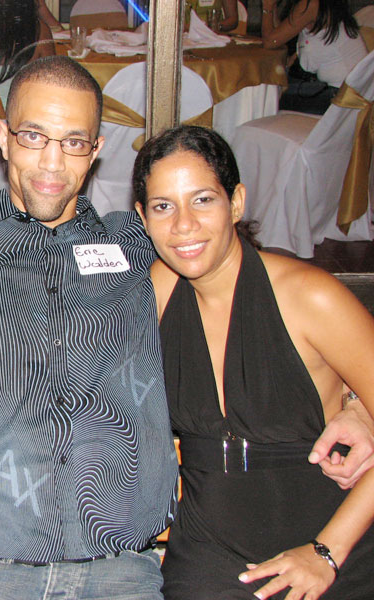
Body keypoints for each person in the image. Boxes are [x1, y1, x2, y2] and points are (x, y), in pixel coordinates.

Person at [0, 55, 178, 600]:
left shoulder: (136, 243)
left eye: (73, 142)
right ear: (3, 137)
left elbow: (239, 275)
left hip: (118, 566)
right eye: (33, 136)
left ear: (96, 150)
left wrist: (352, 398)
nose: (52, 162)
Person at [131, 125, 374, 600]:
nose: (183, 225)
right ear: (142, 217)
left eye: (203, 200)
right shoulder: (155, 291)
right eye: (163, 206)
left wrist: (326, 552)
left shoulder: (309, 297)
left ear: (236, 202)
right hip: (209, 556)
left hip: (331, 546)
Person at [262, 0, 365, 114]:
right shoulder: (323, 4)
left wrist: (267, 7)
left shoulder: (311, 5)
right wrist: (273, 7)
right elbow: (280, 36)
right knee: (275, 91)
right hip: (350, 92)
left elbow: (270, 42)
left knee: (270, 102)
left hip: (342, 99)